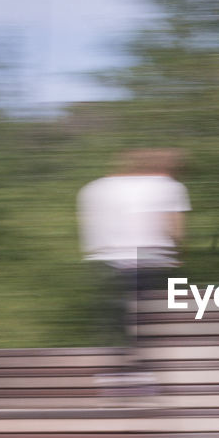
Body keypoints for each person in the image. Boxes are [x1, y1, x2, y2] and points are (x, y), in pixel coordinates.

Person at [77, 147, 191, 384]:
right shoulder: (168, 186)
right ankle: (143, 366)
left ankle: (121, 365)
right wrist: (179, 251)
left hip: (105, 260)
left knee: (118, 316)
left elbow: (89, 225)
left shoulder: (96, 187)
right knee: (147, 315)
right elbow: (173, 226)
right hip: (148, 257)